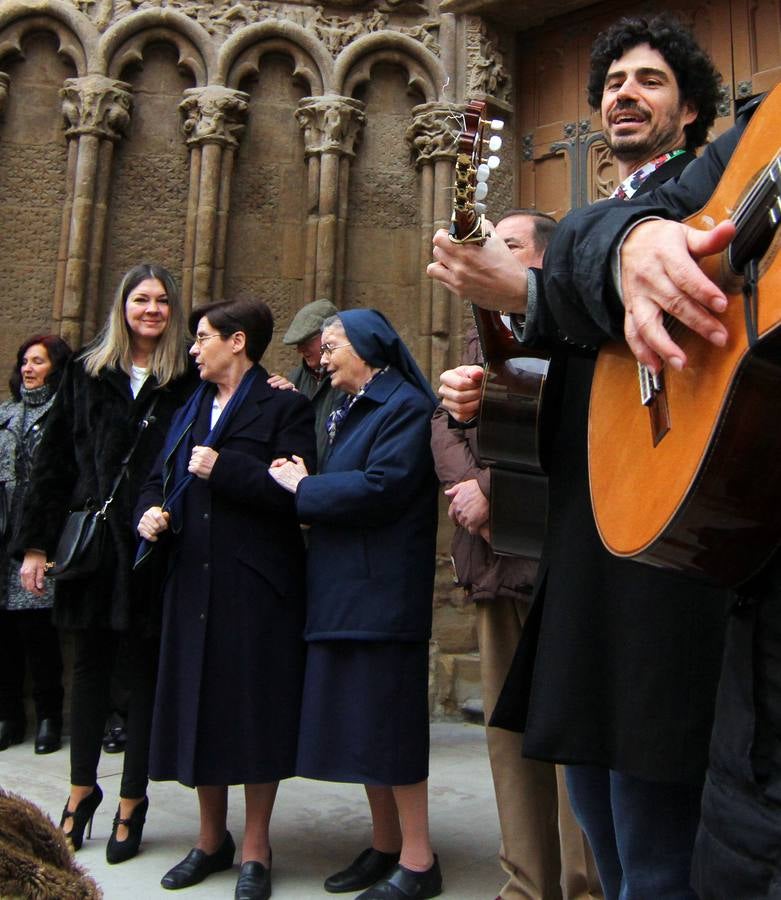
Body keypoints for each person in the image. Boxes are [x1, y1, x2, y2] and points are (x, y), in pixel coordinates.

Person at [428, 15, 732, 899]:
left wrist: (526, 289)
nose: (622, 95)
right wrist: (513, 393)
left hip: (657, 557)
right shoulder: (600, 226)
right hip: (583, 558)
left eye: (648, 81)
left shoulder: (703, 199)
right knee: (601, 837)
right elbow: (602, 372)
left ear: (691, 108)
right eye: (610, 84)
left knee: (656, 857)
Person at [430, 211, 601, 900]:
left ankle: (583, 884)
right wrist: (466, 484)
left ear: (541, 263)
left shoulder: (573, 328)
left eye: (506, 245)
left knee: (565, 733)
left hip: (554, 560)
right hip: (491, 563)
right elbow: (444, 422)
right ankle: (526, 884)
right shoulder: (481, 332)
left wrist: (493, 488)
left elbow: (575, 423)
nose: (488, 255)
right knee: (507, 733)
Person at [136, 297, 316, 900]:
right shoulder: (189, 407)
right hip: (193, 579)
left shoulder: (285, 404)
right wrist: (149, 515)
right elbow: (156, 477)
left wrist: (228, 468)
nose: (193, 348)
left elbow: (298, 490)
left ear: (237, 342)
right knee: (200, 708)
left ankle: (257, 847)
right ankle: (210, 839)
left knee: (253, 712)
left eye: (203, 337)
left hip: (256, 583)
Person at [16, 263, 196, 864]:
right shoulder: (86, 373)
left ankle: (132, 800)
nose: (152, 310)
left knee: (142, 671)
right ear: (122, 306)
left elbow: (236, 401)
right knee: (89, 668)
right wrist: (36, 546)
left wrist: (274, 386)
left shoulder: (187, 376)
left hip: (154, 544)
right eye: (141, 299)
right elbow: (53, 466)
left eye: (163, 301)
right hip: (94, 544)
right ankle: (80, 790)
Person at [269, 309, 442, 900]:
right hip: (347, 589)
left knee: (391, 729)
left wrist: (304, 487)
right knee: (367, 730)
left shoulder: (404, 407)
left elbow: (382, 486)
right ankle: (387, 845)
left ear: (367, 349)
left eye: (334, 344)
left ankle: (419, 862)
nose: (324, 355)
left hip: (382, 593)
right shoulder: (352, 405)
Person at [0, 334, 71, 755]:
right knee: (4, 632)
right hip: (4, 534)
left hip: (42, 533)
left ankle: (48, 716)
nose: (28, 369)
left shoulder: (64, 414)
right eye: (24, 361)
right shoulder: (5, 414)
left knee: (38, 629)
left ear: (56, 368)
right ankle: (8, 715)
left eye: (38, 362)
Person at [268, 298, 345, 470]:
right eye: (298, 343)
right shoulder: (295, 377)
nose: (300, 349)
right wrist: (287, 403)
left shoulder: (347, 378)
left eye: (307, 341)